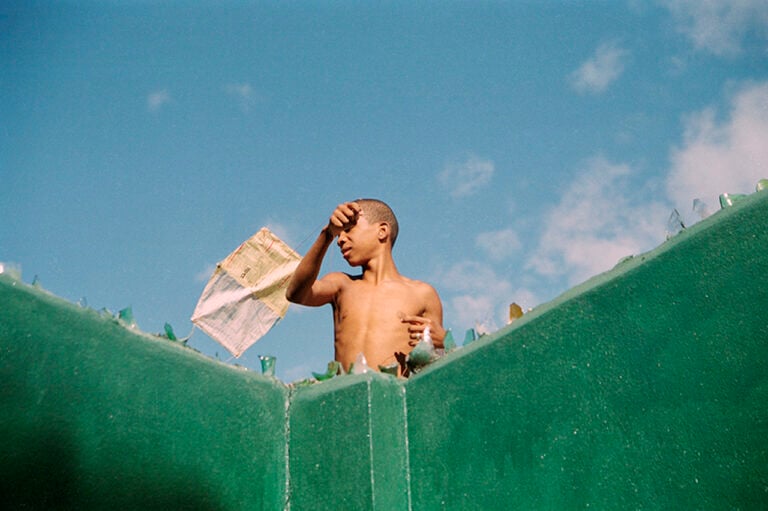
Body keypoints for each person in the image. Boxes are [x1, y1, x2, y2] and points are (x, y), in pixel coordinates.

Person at [286, 199, 445, 376]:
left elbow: (434, 364)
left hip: (395, 397)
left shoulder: (422, 293)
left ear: (382, 231)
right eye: (338, 234)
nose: (341, 240)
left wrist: (444, 340)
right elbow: (296, 294)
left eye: (348, 230)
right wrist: (327, 234)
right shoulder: (341, 284)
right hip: (347, 396)